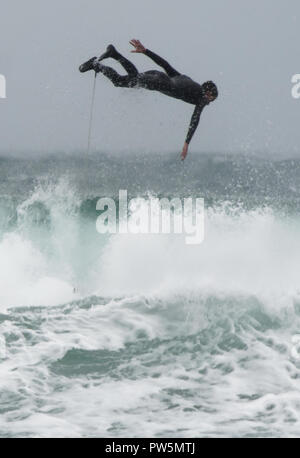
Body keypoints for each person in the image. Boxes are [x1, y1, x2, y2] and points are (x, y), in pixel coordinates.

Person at [79, 39, 218, 160]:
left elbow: (165, 65)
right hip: (158, 82)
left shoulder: (187, 80)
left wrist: (146, 51)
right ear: (208, 94)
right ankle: (112, 55)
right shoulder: (202, 97)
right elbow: (195, 118)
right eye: (211, 100)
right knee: (132, 77)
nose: (208, 103)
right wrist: (186, 143)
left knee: (120, 81)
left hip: (156, 76)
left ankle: (99, 63)